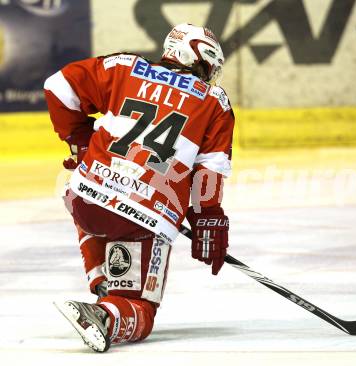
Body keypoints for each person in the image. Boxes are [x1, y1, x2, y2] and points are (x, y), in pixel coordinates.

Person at [44, 23, 234, 352]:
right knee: (140, 310)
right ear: (196, 59)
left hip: (86, 200)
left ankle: (102, 280)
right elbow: (210, 169)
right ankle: (107, 312)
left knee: (78, 187)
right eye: (207, 67)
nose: (208, 76)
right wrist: (208, 217)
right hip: (144, 219)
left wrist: (80, 141)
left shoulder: (125, 68)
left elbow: (57, 86)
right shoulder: (214, 102)